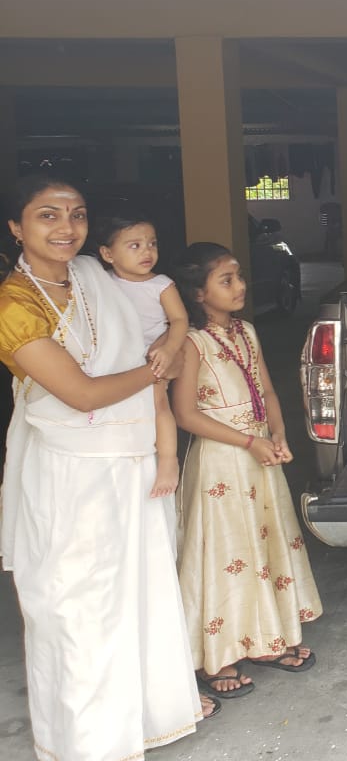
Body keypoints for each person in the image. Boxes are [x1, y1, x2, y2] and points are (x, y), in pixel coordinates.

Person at [0, 173, 209, 761]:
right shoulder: (13, 305)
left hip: (132, 460)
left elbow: (166, 327)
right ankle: (88, 743)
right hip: (71, 473)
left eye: (77, 214)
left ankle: (144, 720)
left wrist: (170, 345)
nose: (66, 227)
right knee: (75, 606)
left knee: (139, 591)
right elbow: (82, 394)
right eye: (47, 215)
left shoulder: (96, 276)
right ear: (17, 227)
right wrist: (160, 365)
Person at [171, 242, 323, 703]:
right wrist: (247, 442)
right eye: (227, 280)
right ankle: (218, 655)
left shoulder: (247, 332)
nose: (240, 286)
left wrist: (277, 434)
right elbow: (185, 414)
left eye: (238, 276)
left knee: (262, 545)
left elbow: (268, 392)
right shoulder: (191, 343)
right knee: (227, 552)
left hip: (259, 456)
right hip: (221, 463)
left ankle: (266, 638)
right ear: (198, 293)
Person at [98, 211, 188, 499]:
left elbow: (179, 321)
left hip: (153, 357)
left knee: (159, 403)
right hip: (117, 360)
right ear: (108, 254)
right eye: (135, 245)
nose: (147, 251)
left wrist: (169, 349)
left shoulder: (161, 284)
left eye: (152, 243)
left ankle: (168, 461)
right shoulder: (101, 283)